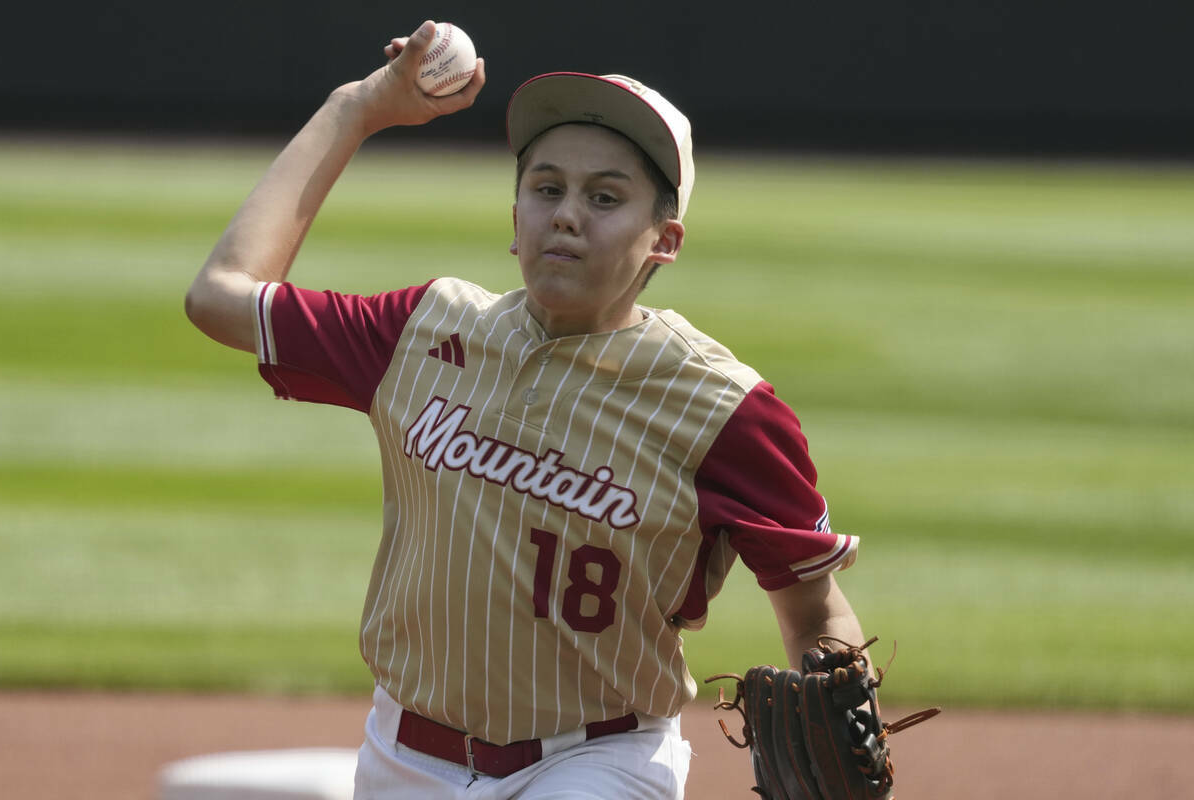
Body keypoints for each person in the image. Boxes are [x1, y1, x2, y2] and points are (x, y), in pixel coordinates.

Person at [185, 20, 870, 800]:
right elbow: (219, 297)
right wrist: (356, 108)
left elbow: (813, 608)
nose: (567, 214)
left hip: (599, 762)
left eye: (605, 197)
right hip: (402, 756)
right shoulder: (422, 330)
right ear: (515, 218)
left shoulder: (723, 408)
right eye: (546, 188)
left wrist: (839, 697)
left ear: (664, 240)